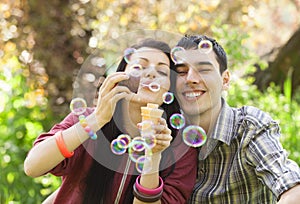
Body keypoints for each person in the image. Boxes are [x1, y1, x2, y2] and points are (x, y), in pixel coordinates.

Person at [24, 38, 198, 204]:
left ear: (170, 88)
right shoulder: (85, 119)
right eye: (140, 66)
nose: (151, 72)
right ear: (120, 76)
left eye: (162, 71)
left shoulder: (179, 146)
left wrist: (153, 157)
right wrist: (97, 119)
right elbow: (33, 166)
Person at [171, 34, 300, 203]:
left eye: (203, 70)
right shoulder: (167, 134)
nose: (190, 79)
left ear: (225, 80)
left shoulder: (248, 127)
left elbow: (290, 186)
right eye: (181, 72)